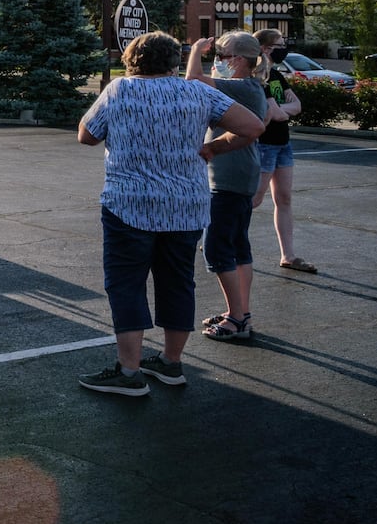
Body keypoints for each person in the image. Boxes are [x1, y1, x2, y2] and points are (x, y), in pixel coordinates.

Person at [76, 31, 264, 396]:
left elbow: (87, 135)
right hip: (186, 207)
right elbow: (254, 127)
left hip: (128, 204)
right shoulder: (198, 92)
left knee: (127, 284)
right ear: (174, 63)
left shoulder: (119, 90)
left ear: (132, 61)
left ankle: (129, 373)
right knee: (177, 282)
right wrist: (212, 148)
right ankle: (171, 363)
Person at [185, 32, 271, 341]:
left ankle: (237, 318)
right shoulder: (249, 87)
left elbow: (193, 80)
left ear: (239, 60)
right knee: (237, 247)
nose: (217, 63)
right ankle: (240, 312)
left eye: (221, 57)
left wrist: (195, 49)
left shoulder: (242, 86)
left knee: (217, 247)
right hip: (239, 176)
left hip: (228, 179)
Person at [251, 29, 314, 273]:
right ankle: (222, 238)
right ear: (265, 48)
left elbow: (295, 106)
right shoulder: (259, 77)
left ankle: (288, 255)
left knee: (284, 198)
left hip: (283, 144)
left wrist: (281, 110)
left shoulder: (276, 75)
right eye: (279, 44)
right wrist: (283, 110)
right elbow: (273, 113)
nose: (283, 47)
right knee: (254, 199)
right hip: (264, 145)